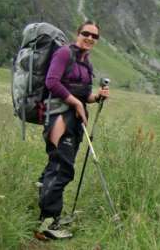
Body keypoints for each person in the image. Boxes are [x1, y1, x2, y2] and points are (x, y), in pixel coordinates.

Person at [36, 20, 109, 240]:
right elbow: (51, 82)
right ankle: (47, 223)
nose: (90, 38)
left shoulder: (86, 64)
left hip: (74, 122)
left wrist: (95, 97)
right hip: (59, 118)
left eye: (94, 36)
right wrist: (76, 104)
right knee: (62, 169)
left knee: (57, 165)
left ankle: (47, 210)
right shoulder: (64, 54)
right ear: (77, 33)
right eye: (86, 33)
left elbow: (83, 93)